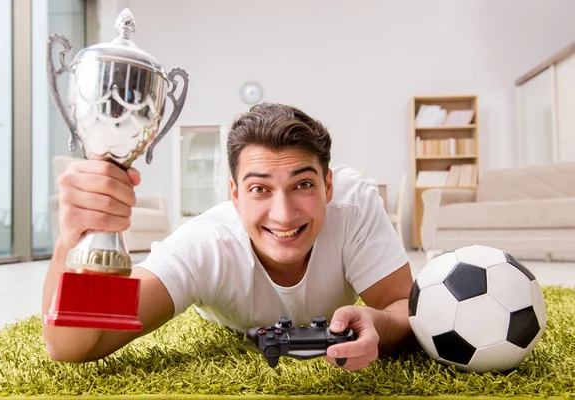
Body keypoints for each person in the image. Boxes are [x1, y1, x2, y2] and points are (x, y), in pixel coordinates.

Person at [42, 103, 414, 371]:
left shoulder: (353, 205)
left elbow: (404, 307)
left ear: (328, 186)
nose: (284, 215)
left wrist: (378, 324)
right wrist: (72, 241)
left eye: (302, 184)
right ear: (235, 195)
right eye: (259, 189)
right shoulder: (205, 247)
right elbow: (70, 346)